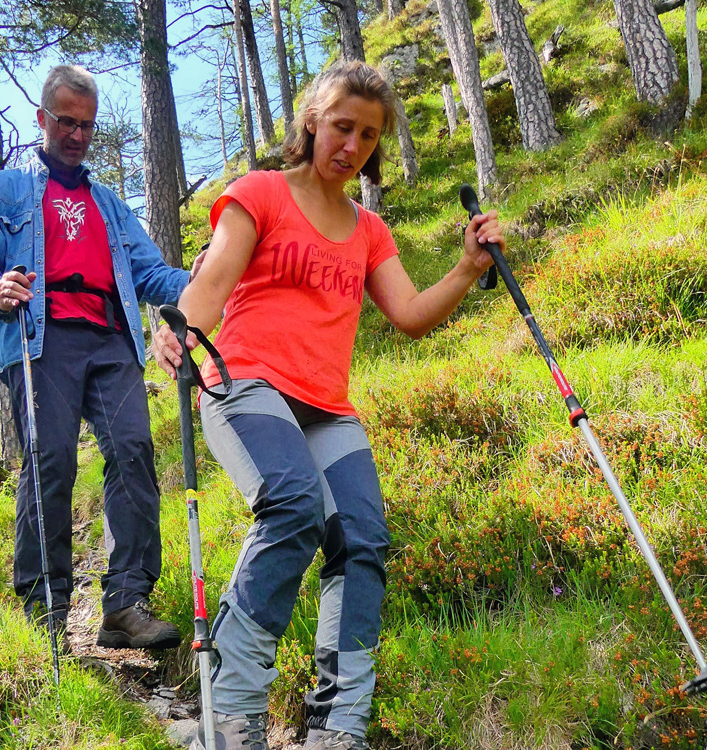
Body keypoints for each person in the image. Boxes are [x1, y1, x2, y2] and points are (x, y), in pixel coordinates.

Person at [152, 61, 506, 750]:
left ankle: (337, 727)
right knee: (292, 504)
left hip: (327, 406)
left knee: (363, 539)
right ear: (312, 119)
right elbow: (214, 279)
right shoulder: (260, 193)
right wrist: (179, 329)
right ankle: (228, 715)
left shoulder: (369, 230)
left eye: (370, 136)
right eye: (344, 127)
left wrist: (466, 268)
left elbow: (407, 314)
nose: (353, 146)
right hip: (244, 383)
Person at [0, 65, 187, 652]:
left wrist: (213, 276)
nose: (77, 135)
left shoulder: (108, 204)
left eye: (86, 125)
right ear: (41, 119)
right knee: (50, 459)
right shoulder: (2, 191)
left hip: (112, 338)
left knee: (132, 448)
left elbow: (152, 273)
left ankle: (126, 603)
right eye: (66, 121)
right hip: (40, 339)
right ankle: (46, 611)